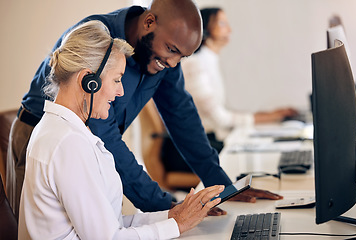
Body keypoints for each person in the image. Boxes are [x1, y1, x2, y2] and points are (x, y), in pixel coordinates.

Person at [7, 0, 281, 219]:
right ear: (149, 22)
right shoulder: (99, 41)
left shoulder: (163, 56)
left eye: (181, 57)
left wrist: (223, 187)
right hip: (40, 141)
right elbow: (106, 135)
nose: (173, 63)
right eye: (171, 50)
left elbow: (181, 114)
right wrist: (166, 208)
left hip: (88, 145)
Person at [18, 20, 224, 239]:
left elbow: (111, 224)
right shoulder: (67, 143)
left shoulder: (68, 131)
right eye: (117, 80)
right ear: (89, 81)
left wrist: (173, 215)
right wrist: (178, 225)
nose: (121, 92)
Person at [161, 7, 298, 181]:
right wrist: (270, 117)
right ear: (205, 28)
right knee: (256, 172)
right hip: (191, 149)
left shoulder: (209, 60)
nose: (230, 30)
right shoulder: (195, 64)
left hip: (207, 141)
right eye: (222, 23)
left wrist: (270, 116)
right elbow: (220, 119)